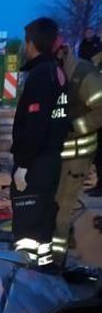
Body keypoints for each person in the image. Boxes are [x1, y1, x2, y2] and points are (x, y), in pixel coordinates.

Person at [11, 17, 69, 269]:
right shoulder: (57, 71)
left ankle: (26, 277)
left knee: (26, 229)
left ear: (32, 42)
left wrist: (23, 164)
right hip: (51, 159)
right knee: (43, 225)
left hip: (36, 163)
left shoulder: (40, 75)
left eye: (26, 41)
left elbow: (36, 124)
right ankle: (44, 272)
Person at [53, 37, 102, 263]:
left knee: (63, 209)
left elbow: (99, 109)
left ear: (62, 52)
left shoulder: (83, 74)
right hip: (58, 151)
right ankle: (64, 241)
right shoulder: (55, 71)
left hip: (78, 153)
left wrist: (74, 127)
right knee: (55, 205)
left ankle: (57, 260)